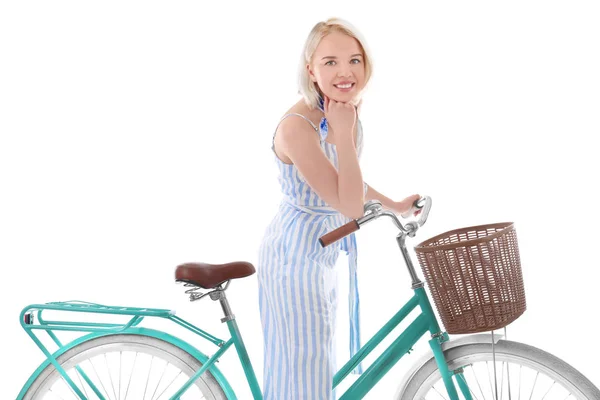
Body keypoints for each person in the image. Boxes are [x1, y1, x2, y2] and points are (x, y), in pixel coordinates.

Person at [256, 17, 421, 400]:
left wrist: (393, 204)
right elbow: (346, 201)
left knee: (316, 360)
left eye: (354, 60)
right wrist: (344, 133)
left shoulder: (341, 110)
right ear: (310, 69)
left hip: (324, 246)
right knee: (304, 364)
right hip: (294, 253)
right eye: (330, 62)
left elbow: (345, 181)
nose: (345, 72)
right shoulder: (298, 127)